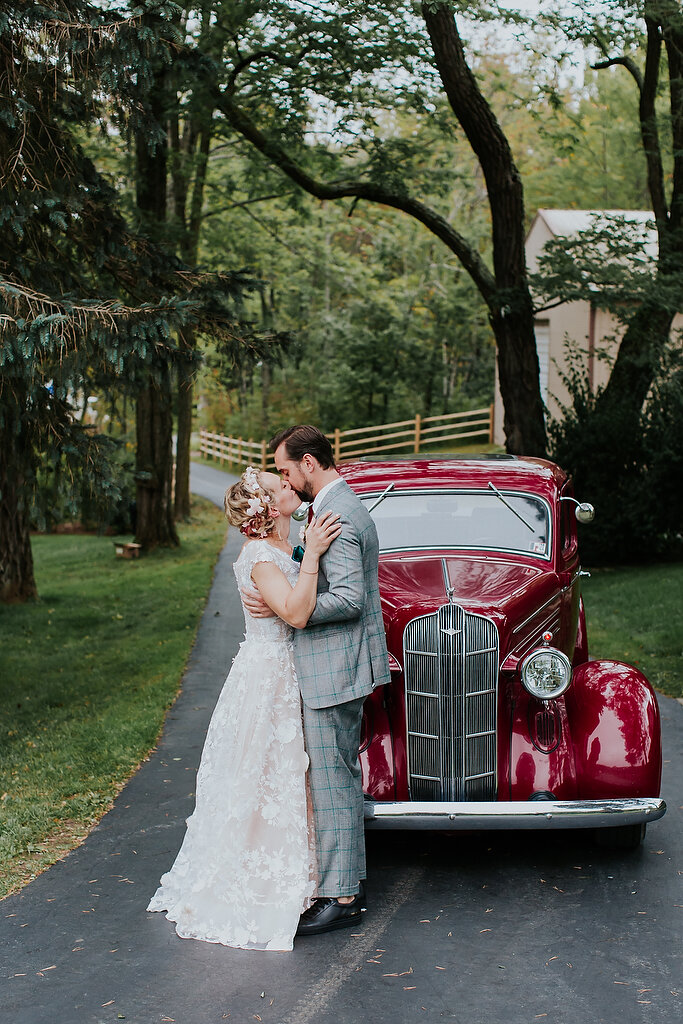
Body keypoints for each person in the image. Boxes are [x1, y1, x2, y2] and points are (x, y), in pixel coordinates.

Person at [146, 466, 341, 951]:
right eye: (279, 489)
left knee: (289, 773)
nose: (288, 488)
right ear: (269, 509)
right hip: (269, 673)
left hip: (289, 668)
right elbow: (295, 612)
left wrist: (303, 553)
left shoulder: (279, 547)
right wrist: (312, 557)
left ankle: (308, 871)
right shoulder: (258, 555)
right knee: (264, 773)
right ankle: (262, 877)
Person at [245, 424, 391, 936]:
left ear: (309, 463)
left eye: (286, 470)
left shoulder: (337, 514)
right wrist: (281, 591)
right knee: (331, 780)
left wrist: (290, 610)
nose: (284, 480)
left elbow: (349, 598)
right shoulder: (330, 508)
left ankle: (343, 896)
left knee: (334, 783)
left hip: (335, 666)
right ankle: (342, 882)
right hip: (332, 663)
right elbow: (316, 572)